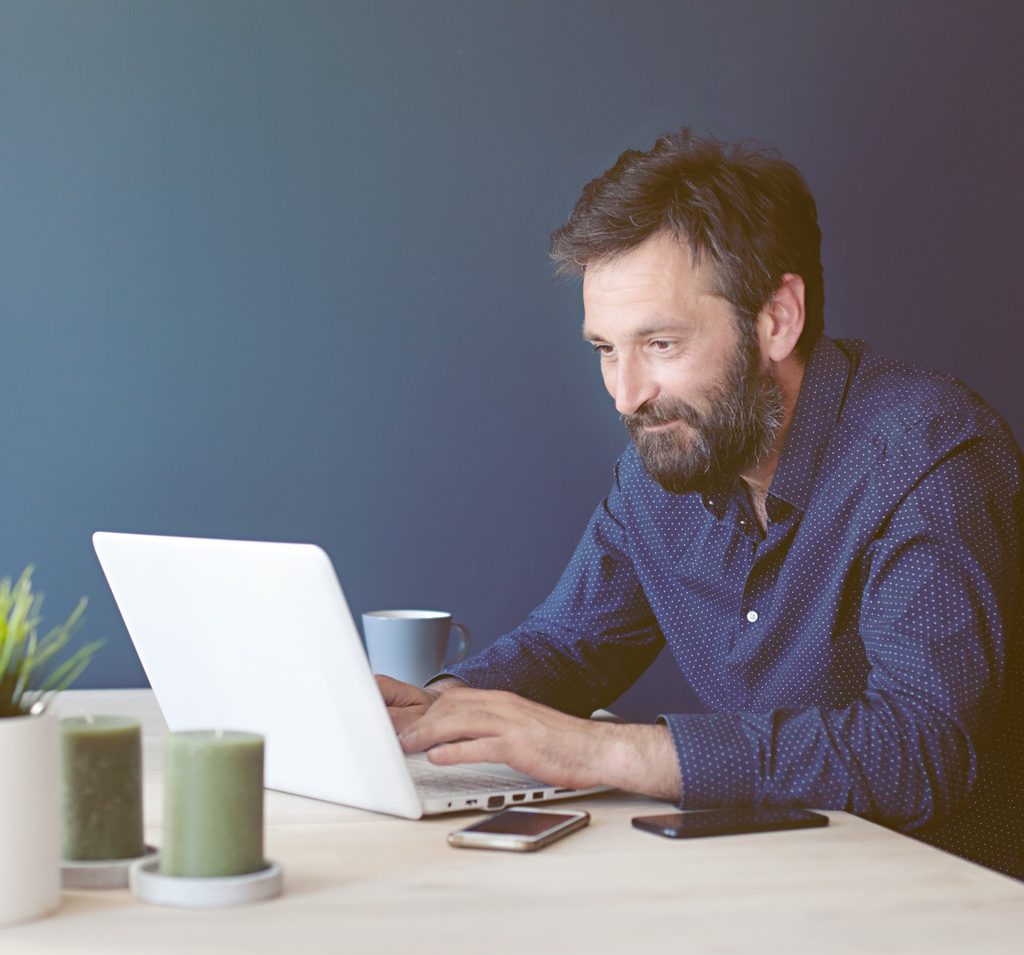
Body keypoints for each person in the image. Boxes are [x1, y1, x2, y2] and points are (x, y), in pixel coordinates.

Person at [378, 129, 1024, 879]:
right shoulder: (666, 464)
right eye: (604, 349)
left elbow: (920, 748)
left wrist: (604, 749)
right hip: (770, 891)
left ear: (776, 319)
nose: (627, 395)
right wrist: (435, 710)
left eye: (659, 344)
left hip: (957, 922)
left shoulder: (931, 456)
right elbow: (568, 647)